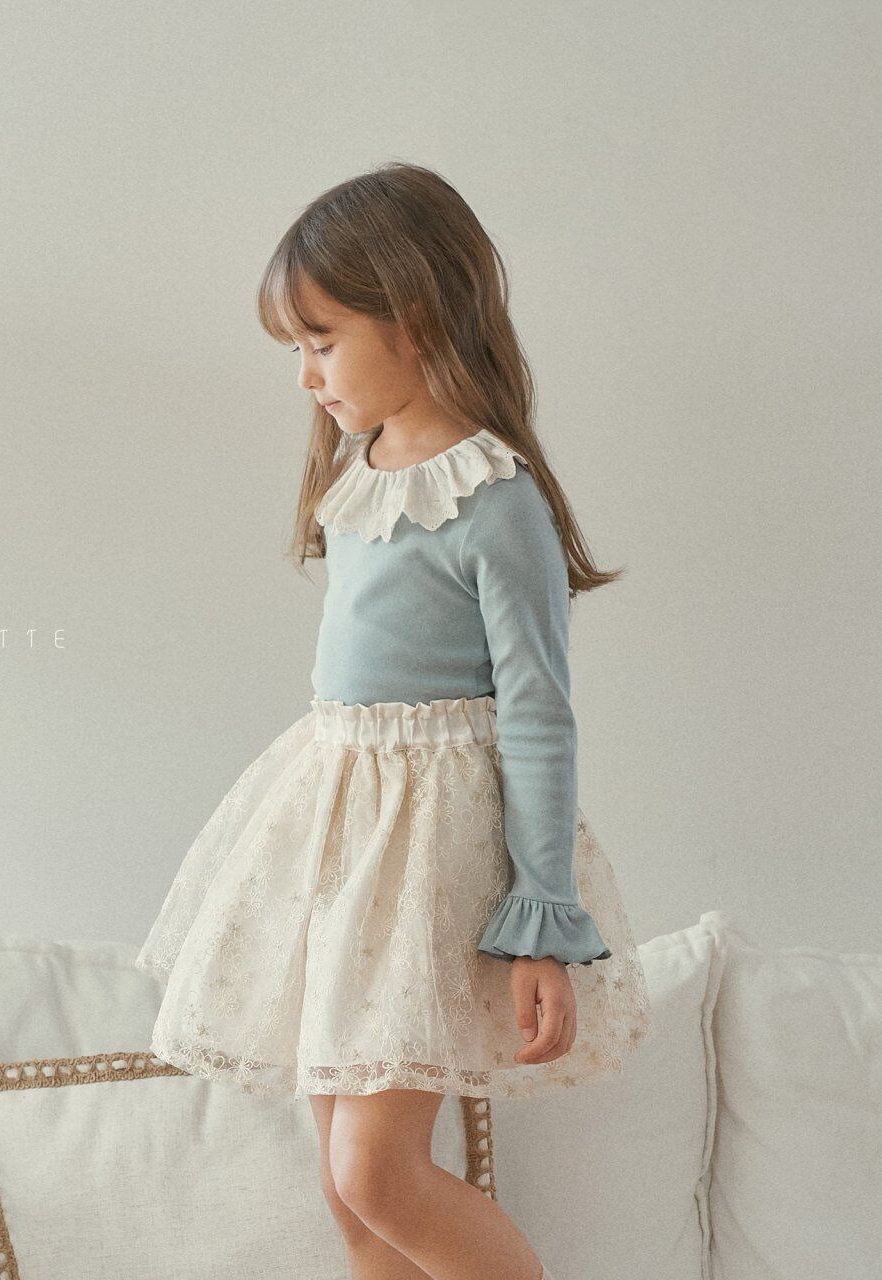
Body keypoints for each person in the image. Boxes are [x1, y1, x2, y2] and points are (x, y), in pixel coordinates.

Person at [135, 161, 654, 1280]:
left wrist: (540, 918)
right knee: (346, 1187)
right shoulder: (358, 474)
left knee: (376, 1171)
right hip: (343, 844)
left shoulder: (495, 500)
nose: (305, 376)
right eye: (297, 349)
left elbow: (537, 713)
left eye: (321, 343)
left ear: (413, 318)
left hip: (431, 856)